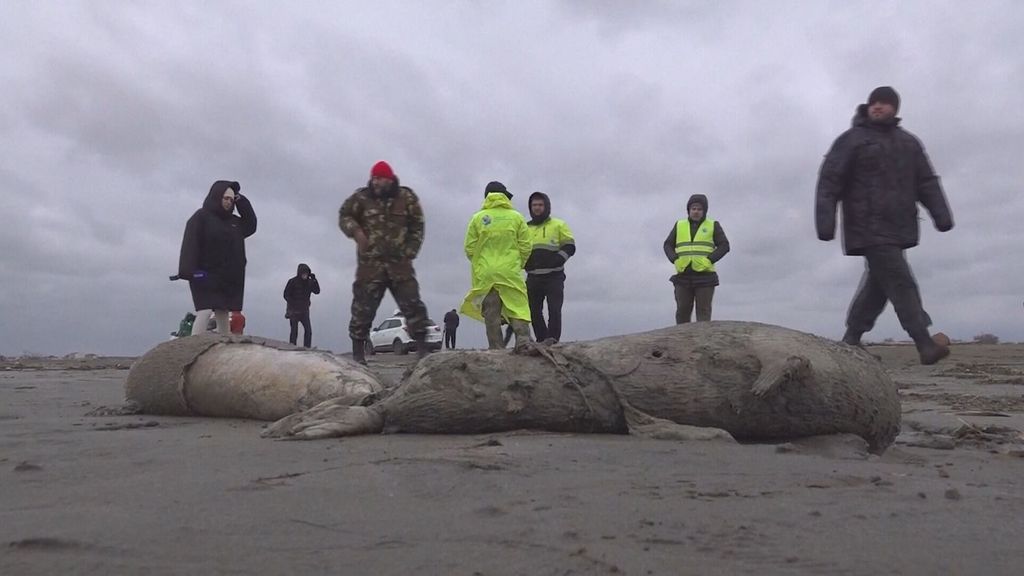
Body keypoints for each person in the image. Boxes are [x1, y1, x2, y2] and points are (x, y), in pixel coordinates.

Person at [816, 86, 953, 365]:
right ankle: (924, 342)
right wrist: (825, 222)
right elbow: (829, 181)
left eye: (885, 103)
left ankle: (851, 341)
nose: (878, 107)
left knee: (878, 285)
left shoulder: (909, 143)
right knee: (900, 280)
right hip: (867, 225)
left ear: (895, 109)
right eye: (874, 102)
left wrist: (941, 214)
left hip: (899, 226)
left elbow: (926, 181)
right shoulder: (852, 140)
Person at [339, 161, 430, 364]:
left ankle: (423, 351)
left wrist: (410, 252)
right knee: (362, 309)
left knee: (413, 305)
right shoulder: (361, 198)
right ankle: (358, 355)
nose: (376, 182)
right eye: (374, 178)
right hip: (370, 266)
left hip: (400, 265)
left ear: (389, 179)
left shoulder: (406, 198)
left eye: (380, 178)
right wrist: (355, 230)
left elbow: (417, 225)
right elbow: (344, 215)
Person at [460, 181, 532, 351]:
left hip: (486, 273)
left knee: (491, 313)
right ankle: (523, 341)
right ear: (504, 196)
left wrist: (481, 264)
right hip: (510, 271)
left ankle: (496, 349)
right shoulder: (516, 217)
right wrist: (517, 264)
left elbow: (469, 248)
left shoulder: (478, 218)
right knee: (517, 306)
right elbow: (526, 246)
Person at [178, 180, 257, 335]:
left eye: (231, 199)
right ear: (216, 197)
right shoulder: (201, 217)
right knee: (205, 310)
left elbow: (251, 224)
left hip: (228, 277)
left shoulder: (235, 223)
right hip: (203, 274)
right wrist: (188, 271)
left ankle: (224, 345)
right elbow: (190, 244)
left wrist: (241, 199)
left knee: (223, 311)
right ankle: (193, 347)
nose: (228, 202)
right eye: (225, 198)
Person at [663, 194, 729, 323]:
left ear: (704, 211)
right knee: (682, 310)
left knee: (703, 311)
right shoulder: (679, 225)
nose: (696, 211)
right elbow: (667, 244)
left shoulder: (713, 225)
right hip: (683, 274)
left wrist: (709, 260)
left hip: (705, 275)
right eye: (693, 208)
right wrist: (675, 259)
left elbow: (724, 245)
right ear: (689, 210)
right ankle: (681, 340)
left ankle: (703, 340)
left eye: (699, 209)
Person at [524, 191, 576, 344]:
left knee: (554, 310)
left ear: (546, 206)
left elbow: (570, 246)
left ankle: (552, 339)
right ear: (530, 207)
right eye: (534, 205)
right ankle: (541, 339)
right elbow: (517, 249)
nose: (537, 208)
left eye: (540, 205)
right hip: (533, 276)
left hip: (554, 276)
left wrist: (558, 259)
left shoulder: (558, 224)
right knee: (533, 311)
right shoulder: (524, 228)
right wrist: (524, 263)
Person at [283, 263, 321, 348]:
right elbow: (286, 294)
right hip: (293, 311)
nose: (305, 275)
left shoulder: (310, 282)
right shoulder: (292, 281)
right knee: (294, 331)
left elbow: (317, 291)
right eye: (303, 273)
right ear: (299, 273)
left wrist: (314, 280)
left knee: (308, 331)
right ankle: (291, 347)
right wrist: (292, 303)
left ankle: (307, 348)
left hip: (304, 311)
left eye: (306, 273)